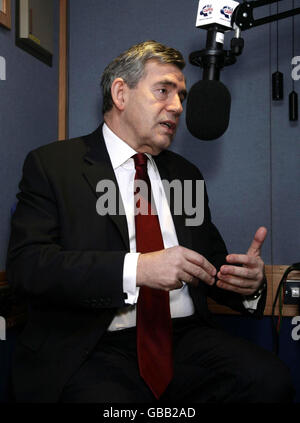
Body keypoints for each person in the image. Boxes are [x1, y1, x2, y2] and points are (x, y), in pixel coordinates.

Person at [6, 40, 294, 403]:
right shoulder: (53, 166)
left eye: (181, 97)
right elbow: (27, 268)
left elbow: (212, 267)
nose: (176, 107)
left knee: (271, 381)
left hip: (185, 338)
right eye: (163, 91)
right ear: (121, 93)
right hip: (93, 345)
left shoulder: (185, 175)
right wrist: (138, 269)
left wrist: (246, 284)